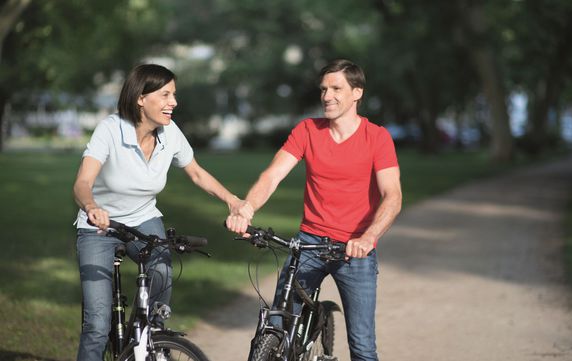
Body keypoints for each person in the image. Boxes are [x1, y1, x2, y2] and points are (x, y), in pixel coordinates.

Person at [226, 59, 402, 361]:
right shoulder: (308, 130)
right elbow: (272, 176)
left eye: (336, 88)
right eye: (323, 89)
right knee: (277, 325)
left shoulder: (377, 137)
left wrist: (369, 237)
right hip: (309, 243)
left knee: (362, 346)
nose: (327, 96)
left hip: (353, 248)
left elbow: (393, 195)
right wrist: (247, 208)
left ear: (357, 93)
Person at [73, 63, 251, 361]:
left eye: (174, 94)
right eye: (166, 94)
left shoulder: (169, 133)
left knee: (161, 273)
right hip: (98, 227)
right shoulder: (111, 129)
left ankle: (148, 343)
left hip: (143, 219)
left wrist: (232, 200)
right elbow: (82, 182)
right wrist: (92, 207)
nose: (174, 102)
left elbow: (196, 173)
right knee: (97, 324)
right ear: (141, 98)